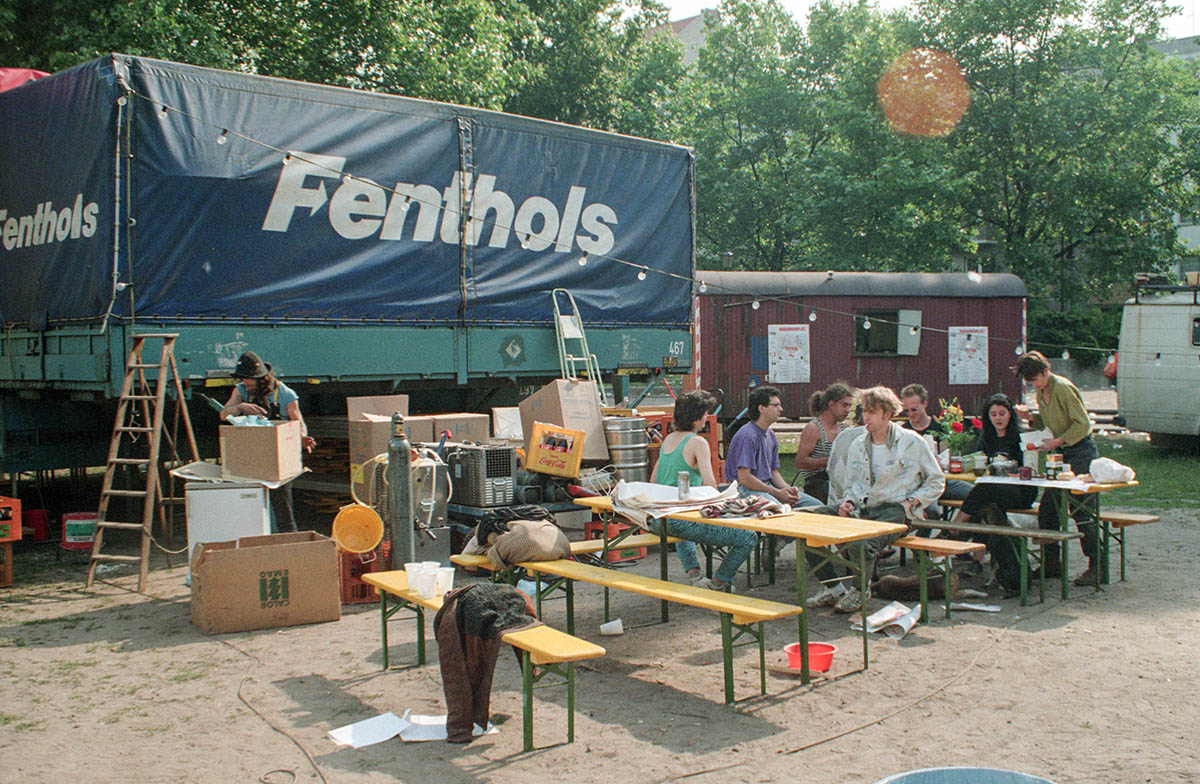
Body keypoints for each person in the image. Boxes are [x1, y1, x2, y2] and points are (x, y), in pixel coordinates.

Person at [806, 386, 945, 613]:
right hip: (863, 508)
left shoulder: (912, 442)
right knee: (806, 524)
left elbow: (936, 481)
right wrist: (848, 502)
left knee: (863, 542)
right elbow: (852, 484)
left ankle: (860, 592)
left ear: (887, 414)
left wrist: (913, 502)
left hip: (896, 510)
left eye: (872, 412)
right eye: (864, 411)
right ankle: (834, 589)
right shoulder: (858, 444)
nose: (865, 417)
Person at [653, 390, 755, 591]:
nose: (707, 418)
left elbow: (653, 480)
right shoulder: (698, 442)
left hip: (659, 518)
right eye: (705, 413)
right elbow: (710, 485)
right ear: (697, 418)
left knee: (686, 522)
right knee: (747, 537)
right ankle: (719, 582)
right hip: (678, 519)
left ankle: (696, 575)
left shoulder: (668, 439)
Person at [1013, 351, 1100, 586]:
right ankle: (1052, 562)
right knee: (1048, 509)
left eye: (1035, 379)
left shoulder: (1062, 388)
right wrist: (1031, 417)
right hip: (1060, 454)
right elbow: (1048, 423)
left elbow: (1082, 424)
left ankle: (1096, 565)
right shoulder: (1043, 394)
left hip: (1080, 451)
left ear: (1045, 371)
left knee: (1081, 510)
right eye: (1030, 382)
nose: (1034, 384)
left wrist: (1058, 441)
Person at [951, 393, 1039, 595]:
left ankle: (956, 528)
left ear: (1010, 414)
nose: (998, 418)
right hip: (994, 491)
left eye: (1002, 413)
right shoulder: (987, 438)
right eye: (994, 414)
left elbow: (1030, 469)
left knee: (983, 490)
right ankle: (989, 562)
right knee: (984, 503)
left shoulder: (1020, 437)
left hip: (1021, 491)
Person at [219, 350, 316, 532]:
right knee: (249, 506)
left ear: (260, 379)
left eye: (247, 379)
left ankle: (290, 547)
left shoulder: (285, 393)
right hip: (251, 457)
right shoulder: (241, 391)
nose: (244, 383)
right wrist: (240, 406)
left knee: (283, 510)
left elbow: (297, 421)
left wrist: (302, 437)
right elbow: (224, 414)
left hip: (278, 459)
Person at [724, 386, 821, 508]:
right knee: (780, 509)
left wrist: (788, 490)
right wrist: (777, 493)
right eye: (775, 405)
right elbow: (744, 478)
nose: (781, 409)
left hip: (767, 487)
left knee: (817, 506)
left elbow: (772, 472)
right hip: (745, 490)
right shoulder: (747, 435)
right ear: (762, 408)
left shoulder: (770, 434)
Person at [901, 382, 970, 505]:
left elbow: (946, 457)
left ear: (925, 404)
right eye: (906, 411)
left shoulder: (940, 426)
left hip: (940, 480)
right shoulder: (903, 431)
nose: (910, 414)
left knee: (975, 493)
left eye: (914, 409)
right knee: (931, 509)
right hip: (915, 485)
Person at [792, 382, 855, 504]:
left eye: (849, 406)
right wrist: (830, 461)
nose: (847, 410)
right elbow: (800, 462)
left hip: (840, 479)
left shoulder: (845, 429)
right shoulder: (814, 429)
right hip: (818, 482)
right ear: (831, 404)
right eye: (844, 405)